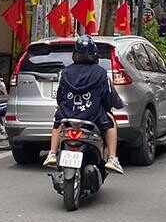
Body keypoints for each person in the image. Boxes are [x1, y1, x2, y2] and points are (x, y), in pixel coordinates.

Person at [42, 35, 124, 173]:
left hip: (67, 116)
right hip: (93, 117)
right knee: (111, 122)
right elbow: (108, 98)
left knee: (57, 122)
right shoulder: (101, 73)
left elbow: (60, 97)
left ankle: (51, 153)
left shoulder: (65, 72)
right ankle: (112, 158)